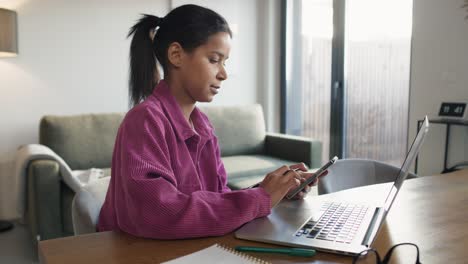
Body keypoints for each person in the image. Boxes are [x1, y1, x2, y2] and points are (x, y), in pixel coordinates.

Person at [97, 4, 320, 239]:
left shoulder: (202, 125)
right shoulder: (144, 121)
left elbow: (218, 198)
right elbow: (159, 215)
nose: (223, 73)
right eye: (214, 60)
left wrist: (275, 191)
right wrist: (260, 197)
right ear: (176, 55)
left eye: (225, 62)